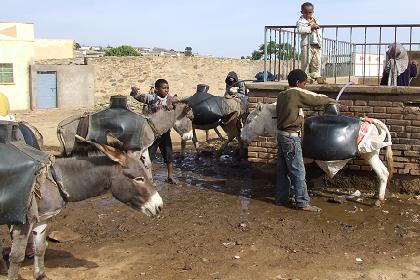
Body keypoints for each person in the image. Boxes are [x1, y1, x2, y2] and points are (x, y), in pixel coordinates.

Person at [276, 69, 335, 212]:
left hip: (282, 136)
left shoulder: (282, 94)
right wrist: (330, 100)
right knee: (298, 171)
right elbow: (313, 100)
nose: (305, 87)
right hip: (291, 137)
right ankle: (302, 202)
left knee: (283, 170)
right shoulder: (295, 93)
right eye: (304, 83)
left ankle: (282, 198)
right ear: (298, 83)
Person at [130, 79, 178, 184]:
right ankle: (147, 178)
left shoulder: (171, 100)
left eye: (167, 88)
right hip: (152, 134)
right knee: (149, 157)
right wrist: (134, 90)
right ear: (156, 89)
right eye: (164, 88)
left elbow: (179, 107)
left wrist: (173, 106)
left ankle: (170, 176)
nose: (166, 90)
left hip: (165, 133)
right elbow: (138, 96)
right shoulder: (151, 98)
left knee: (168, 155)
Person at [296, 2, 324, 84]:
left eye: (310, 12)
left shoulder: (316, 20)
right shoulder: (300, 21)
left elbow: (319, 31)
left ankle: (316, 76)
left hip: (316, 44)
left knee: (317, 61)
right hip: (307, 44)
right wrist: (310, 27)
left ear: (313, 12)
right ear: (302, 12)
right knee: (306, 61)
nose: (308, 14)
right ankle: (304, 77)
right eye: (306, 12)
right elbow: (300, 30)